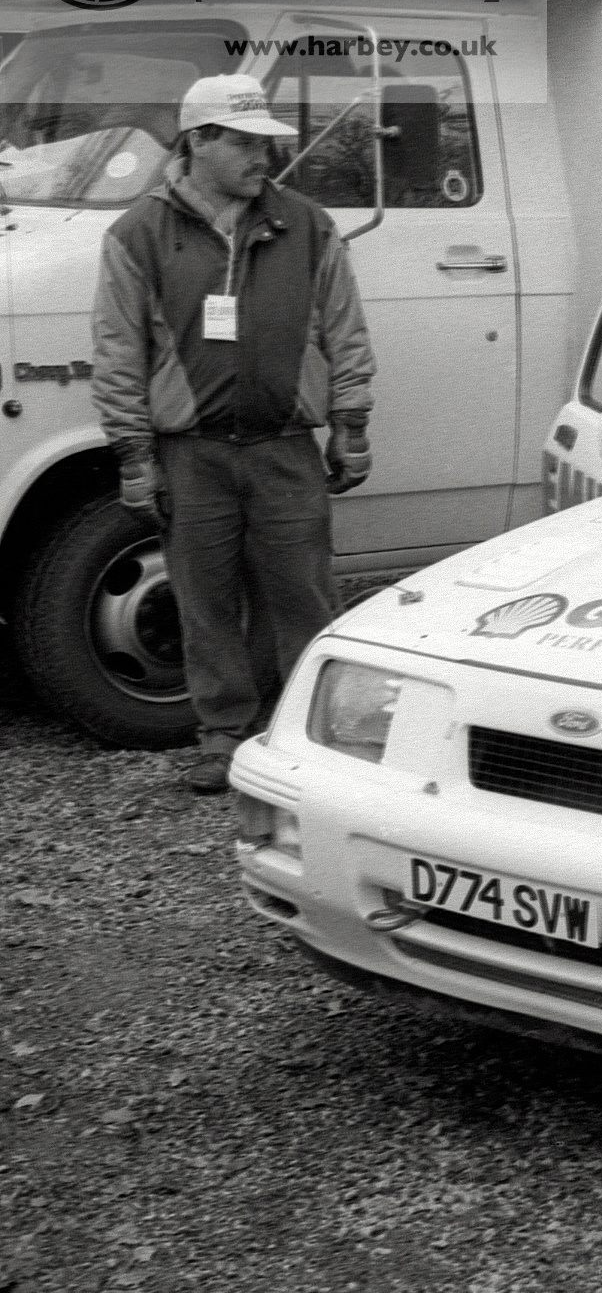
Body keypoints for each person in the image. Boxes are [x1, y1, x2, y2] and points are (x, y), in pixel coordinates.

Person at [91, 75, 375, 794]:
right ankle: (222, 736)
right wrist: (133, 455)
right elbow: (118, 352)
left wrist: (352, 425)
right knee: (205, 604)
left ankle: (311, 736)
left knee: (305, 597)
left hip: (286, 448)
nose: (263, 157)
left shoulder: (306, 224)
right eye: (245, 142)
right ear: (198, 142)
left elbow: (346, 331)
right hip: (191, 456)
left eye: (266, 143)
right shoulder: (136, 235)